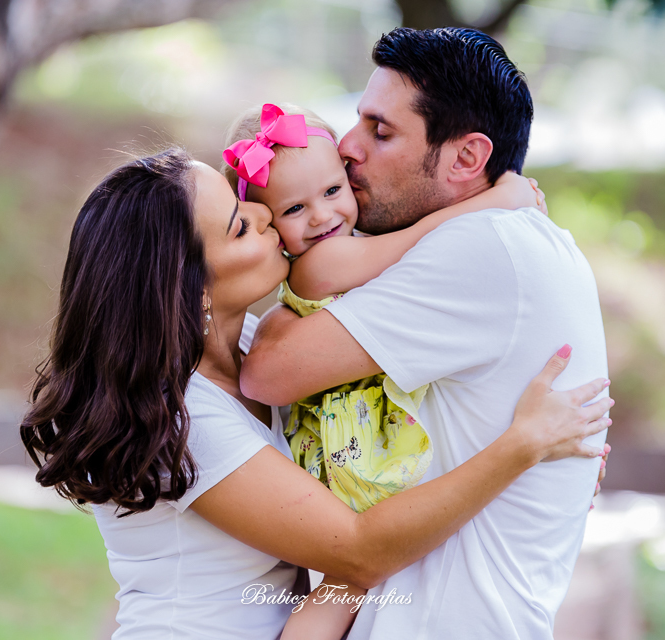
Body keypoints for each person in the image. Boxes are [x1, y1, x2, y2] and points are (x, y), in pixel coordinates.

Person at [20, 146, 612, 640]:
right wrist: (518, 452)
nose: (265, 214)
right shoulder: (183, 416)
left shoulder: (256, 350)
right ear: (190, 288)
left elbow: (371, 433)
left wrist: (533, 490)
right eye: (239, 226)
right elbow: (358, 552)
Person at [241, 27, 611, 639]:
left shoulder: (482, 246)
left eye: (381, 131)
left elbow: (271, 370)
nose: (347, 147)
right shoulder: (513, 238)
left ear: (466, 158)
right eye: (358, 121)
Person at [223, 102, 549, 637]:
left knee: (349, 586)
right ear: (269, 224)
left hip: (365, 429)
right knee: (349, 579)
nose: (323, 217)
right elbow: (413, 242)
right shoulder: (321, 263)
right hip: (350, 444)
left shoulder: (344, 249)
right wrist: (495, 201)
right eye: (295, 208)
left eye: (332, 191)